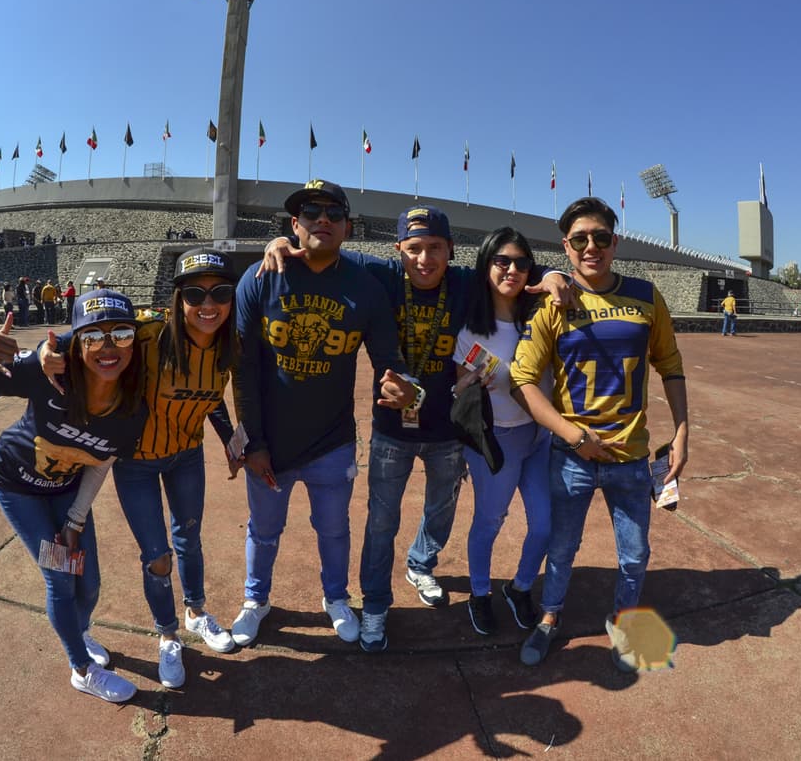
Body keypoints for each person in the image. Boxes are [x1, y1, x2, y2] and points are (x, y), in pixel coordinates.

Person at [258, 204, 571, 653]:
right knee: (381, 522)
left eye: (436, 248)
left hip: (447, 430)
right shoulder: (381, 275)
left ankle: (421, 563)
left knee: (441, 512)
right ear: (398, 249)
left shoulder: (465, 282)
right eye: (415, 248)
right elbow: (324, 249)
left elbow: (513, 269)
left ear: (451, 250)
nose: (425, 259)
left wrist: (555, 273)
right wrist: (281, 243)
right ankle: (376, 604)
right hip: (392, 430)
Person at [39, 249, 242, 689]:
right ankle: (168, 635)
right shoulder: (147, 335)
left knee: (190, 539)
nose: (208, 304)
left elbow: (210, 397)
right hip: (136, 463)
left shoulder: (230, 346)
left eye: (221, 293)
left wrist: (230, 438)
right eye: (195, 294)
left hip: (187, 455)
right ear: (178, 299)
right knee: (157, 557)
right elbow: (79, 339)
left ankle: (196, 612)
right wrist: (42, 352)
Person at [231, 179, 415, 648]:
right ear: (295, 224)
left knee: (333, 529)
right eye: (311, 213)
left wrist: (399, 385)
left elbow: (387, 359)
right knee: (264, 530)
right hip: (270, 443)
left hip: (332, 441)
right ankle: (256, 599)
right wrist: (252, 441)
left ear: (348, 227)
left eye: (334, 214)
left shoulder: (366, 286)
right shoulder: (261, 277)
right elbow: (243, 368)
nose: (323, 220)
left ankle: (336, 597)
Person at [0, 291, 149, 702]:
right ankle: (82, 669)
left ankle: (79, 632)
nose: (108, 348)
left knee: (89, 583)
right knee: (60, 579)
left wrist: (74, 520)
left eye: (122, 334)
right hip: (18, 485)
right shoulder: (48, 372)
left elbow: (100, 462)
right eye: (93, 337)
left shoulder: (133, 407)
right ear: (76, 342)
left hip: (65, 490)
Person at [511, 196, 689, 671]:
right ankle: (549, 617)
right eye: (580, 239)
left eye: (601, 237)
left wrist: (683, 433)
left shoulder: (646, 295)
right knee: (561, 548)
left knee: (635, 554)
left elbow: (670, 364)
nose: (591, 247)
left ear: (616, 242)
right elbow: (522, 379)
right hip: (572, 457)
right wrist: (574, 436)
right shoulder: (554, 302)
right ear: (565, 247)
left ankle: (625, 622)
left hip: (630, 456)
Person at [452, 227, 553, 636]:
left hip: (539, 437)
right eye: (502, 261)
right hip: (497, 440)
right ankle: (479, 592)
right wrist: (467, 381)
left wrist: (555, 276)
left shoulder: (540, 316)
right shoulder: (471, 331)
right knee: (490, 521)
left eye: (521, 263)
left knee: (545, 525)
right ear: (486, 265)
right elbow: (458, 390)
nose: (512, 270)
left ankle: (520, 587)